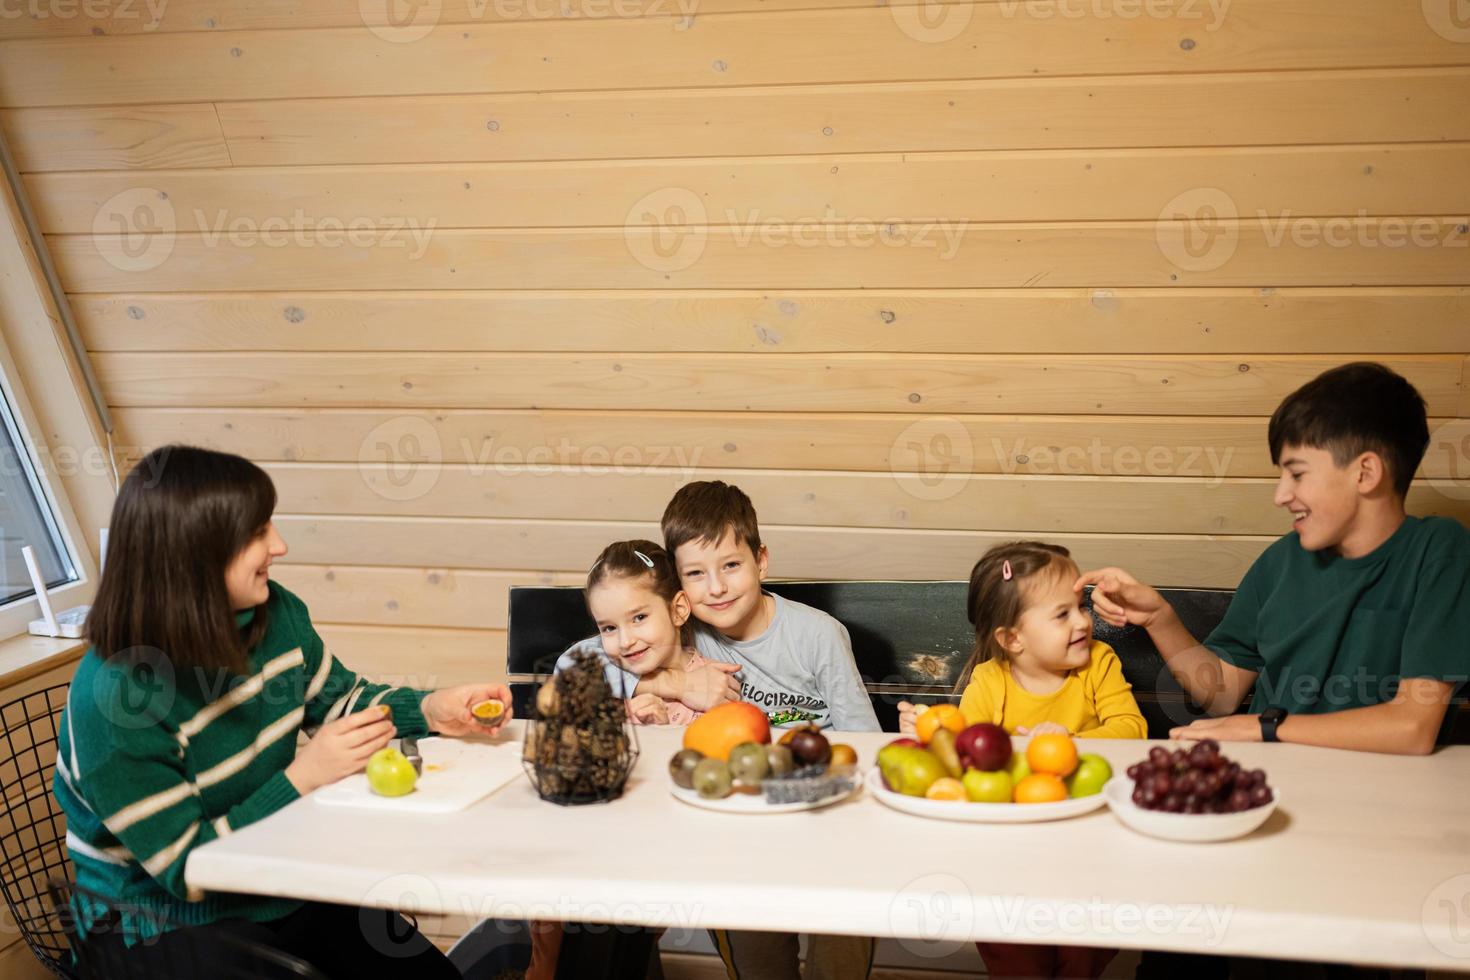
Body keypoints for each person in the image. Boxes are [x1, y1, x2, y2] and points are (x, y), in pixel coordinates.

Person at [54, 445, 511, 977]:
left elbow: (337, 699)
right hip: (154, 918)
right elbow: (187, 868)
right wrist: (305, 775)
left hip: (271, 871)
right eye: (256, 533)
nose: (280, 546)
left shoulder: (273, 614)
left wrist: (432, 710)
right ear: (194, 556)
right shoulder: (115, 698)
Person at [1076, 362, 1470, 754]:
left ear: (1365, 473)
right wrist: (1160, 618)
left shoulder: (1439, 550)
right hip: (1272, 778)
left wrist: (1265, 727)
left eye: (1297, 475)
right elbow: (1222, 696)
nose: (1281, 495)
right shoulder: (1281, 559)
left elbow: (1412, 727)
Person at [900, 541, 1145, 980]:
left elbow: (1132, 730)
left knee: (1082, 952)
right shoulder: (990, 680)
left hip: (1085, 846)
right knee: (1015, 954)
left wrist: (1069, 740)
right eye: (1062, 614)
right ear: (1012, 638)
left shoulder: (1099, 664)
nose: (1083, 622)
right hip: (1006, 855)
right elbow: (963, 751)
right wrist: (927, 731)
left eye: (1080, 607)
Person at [587, 540, 711, 725]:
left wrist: (663, 731)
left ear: (678, 610)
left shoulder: (711, 685)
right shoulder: (603, 686)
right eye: (609, 628)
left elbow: (764, 722)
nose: (625, 642)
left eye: (639, 618)